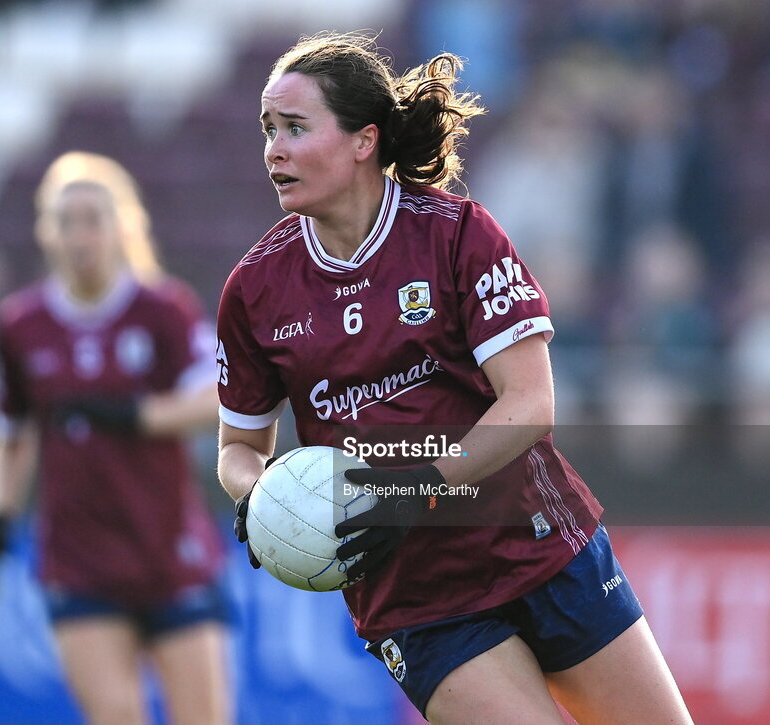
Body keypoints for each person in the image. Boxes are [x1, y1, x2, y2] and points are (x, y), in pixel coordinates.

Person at [217, 32, 693, 724]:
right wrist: (262, 495)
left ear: (363, 140)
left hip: (536, 542)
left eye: (294, 127)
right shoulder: (255, 289)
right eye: (268, 130)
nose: (274, 150)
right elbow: (239, 450)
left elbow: (530, 404)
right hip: (414, 597)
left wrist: (411, 493)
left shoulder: (456, 233)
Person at [0, 151, 232, 725]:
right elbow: (7, 431)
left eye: (92, 218)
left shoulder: (163, 309)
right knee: (117, 715)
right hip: (80, 560)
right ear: (49, 234)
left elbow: (220, 398)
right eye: (65, 221)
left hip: (169, 551)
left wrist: (137, 415)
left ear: (122, 227)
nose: (80, 235)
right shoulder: (20, 325)